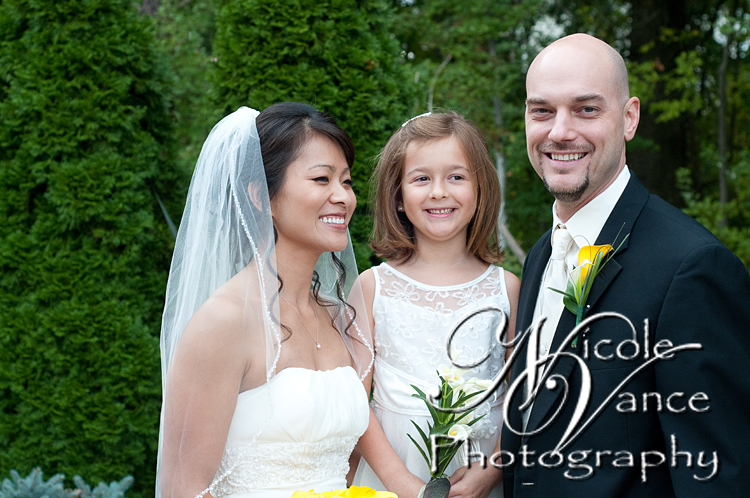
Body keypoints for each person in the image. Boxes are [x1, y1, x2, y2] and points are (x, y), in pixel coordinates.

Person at [501, 34, 750, 497]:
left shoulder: (693, 268)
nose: (559, 131)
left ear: (629, 117)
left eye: (586, 109)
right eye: (542, 111)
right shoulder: (540, 255)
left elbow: (715, 476)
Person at [156, 103, 380, 498]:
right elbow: (184, 487)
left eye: (346, 181)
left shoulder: (336, 315)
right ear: (262, 196)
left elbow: (345, 463)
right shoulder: (224, 321)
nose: (343, 196)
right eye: (322, 179)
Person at [352, 112, 521, 498]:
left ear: (480, 189)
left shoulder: (506, 289)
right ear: (398, 195)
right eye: (421, 179)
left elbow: (522, 398)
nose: (439, 192)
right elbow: (354, 402)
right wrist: (403, 485)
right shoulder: (372, 287)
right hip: (392, 475)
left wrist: (492, 471)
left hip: (480, 474)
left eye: (456, 177)